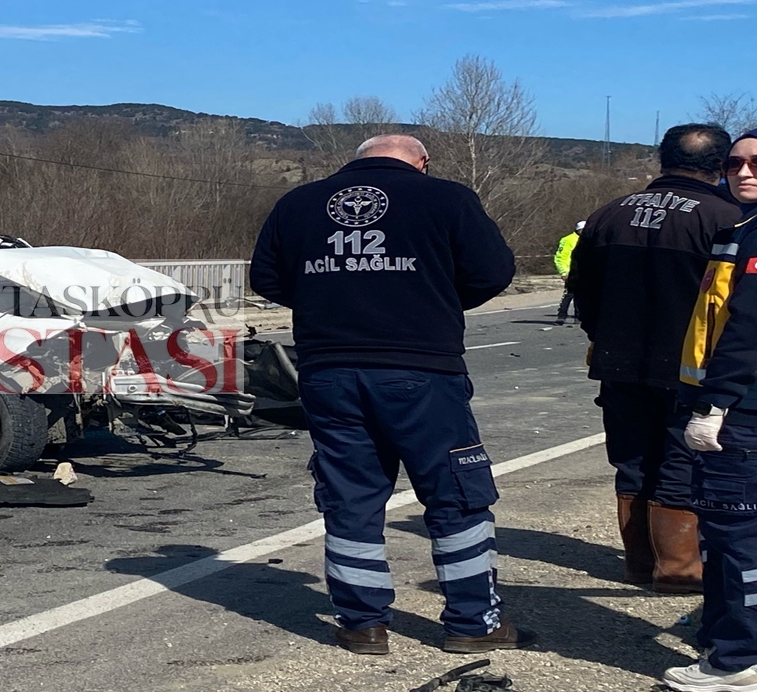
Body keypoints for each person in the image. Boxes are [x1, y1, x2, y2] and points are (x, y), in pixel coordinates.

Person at [250, 134, 529, 656]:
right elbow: (493, 271)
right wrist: (433, 295)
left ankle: (362, 624)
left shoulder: (298, 203)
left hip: (328, 370)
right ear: (421, 163)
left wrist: (331, 297)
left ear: (355, 160)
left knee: (350, 496)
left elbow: (266, 277)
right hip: (420, 368)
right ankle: (473, 621)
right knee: (455, 494)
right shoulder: (446, 197)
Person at [568, 124, 741, 594]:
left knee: (632, 458)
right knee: (682, 459)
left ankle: (640, 564)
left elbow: (580, 286)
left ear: (662, 160)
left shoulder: (610, 213)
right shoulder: (727, 217)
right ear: (720, 165)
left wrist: (601, 335)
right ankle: (679, 567)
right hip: (690, 363)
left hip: (618, 359)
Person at [663, 129, 757, 692]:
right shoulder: (738, 230)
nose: (744, 172)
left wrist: (715, 402)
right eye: (735, 163)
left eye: (756, 164)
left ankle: (736, 658)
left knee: (733, 537)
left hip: (741, 411)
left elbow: (747, 329)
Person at [554, 220, 585, 325]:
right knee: (569, 295)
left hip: (584, 272)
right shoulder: (568, 240)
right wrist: (563, 272)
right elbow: (560, 257)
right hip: (571, 272)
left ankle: (578, 316)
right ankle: (562, 316)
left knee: (581, 296)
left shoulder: (590, 239)